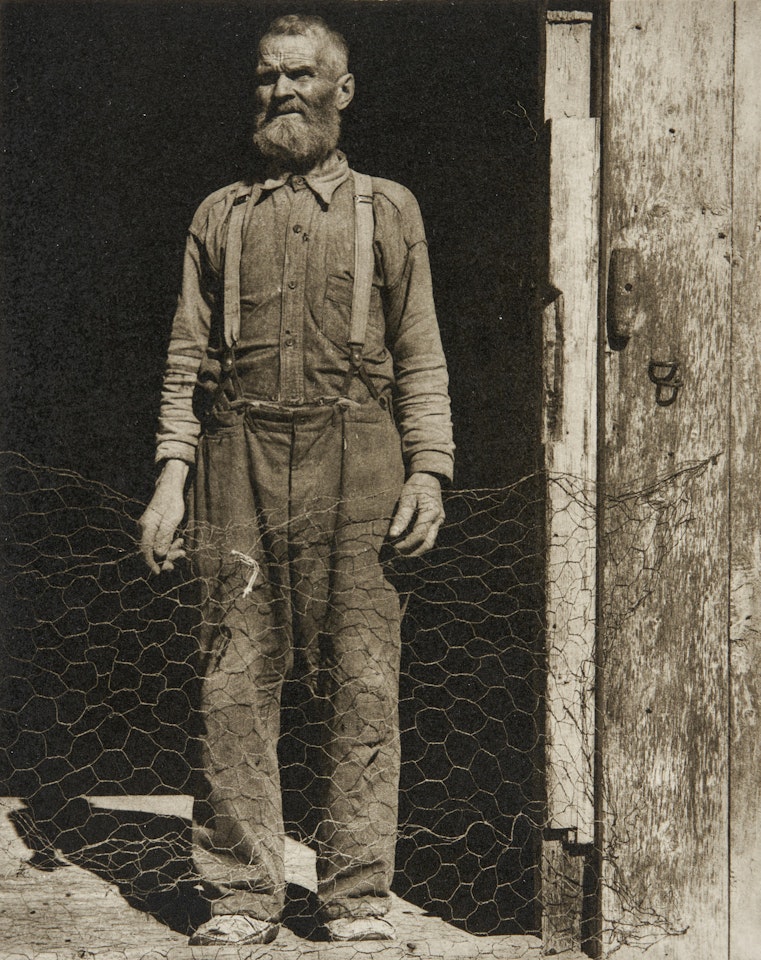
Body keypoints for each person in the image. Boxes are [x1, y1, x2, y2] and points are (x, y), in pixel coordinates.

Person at [139, 13, 454, 947]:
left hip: (361, 456)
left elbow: (423, 354)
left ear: (342, 90)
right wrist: (169, 479)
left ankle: (355, 900)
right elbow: (182, 360)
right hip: (235, 458)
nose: (282, 93)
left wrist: (428, 473)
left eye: (302, 75)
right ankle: (240, 896)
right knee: (233, 679)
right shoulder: (218, 215)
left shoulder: (388, 210)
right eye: (268, 78)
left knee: (363, 679)